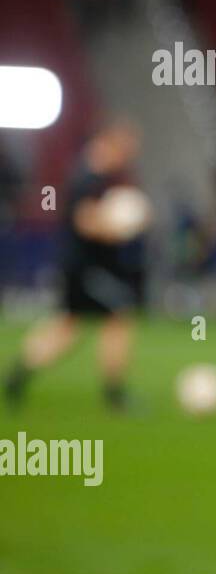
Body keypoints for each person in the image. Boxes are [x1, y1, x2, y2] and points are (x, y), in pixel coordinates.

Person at [4, 119, 147, 412]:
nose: (129, 154)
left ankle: (16, 378)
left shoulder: (92, 175)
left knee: (67, 328)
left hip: (80, 267)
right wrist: (121, 227)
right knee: (118, 318)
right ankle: (114, 394)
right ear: (110, 142)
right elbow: (86, 223)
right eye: (126, 147)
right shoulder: (89, 178)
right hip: (88, 268)